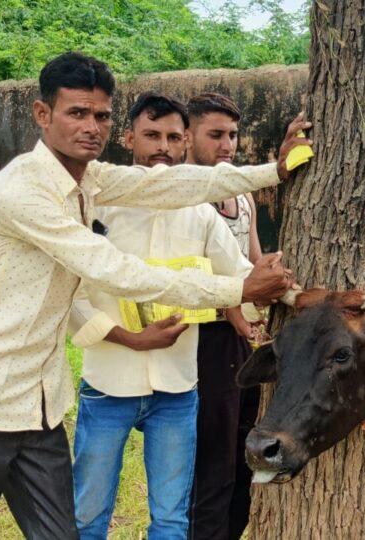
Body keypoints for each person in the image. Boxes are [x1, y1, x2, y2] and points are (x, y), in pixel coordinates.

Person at [0, 51, 310, 539]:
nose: (91, 126)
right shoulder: (22, 191)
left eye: (100, 114)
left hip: (40, 409)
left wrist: (271, 171)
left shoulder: (92, 180)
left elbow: (176, 183)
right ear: (43, 115)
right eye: (77, 113)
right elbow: (113, 269)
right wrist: (237, 287)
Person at [68, 92, 261, 538]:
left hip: (177, 389)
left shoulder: (200, 214)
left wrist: (279, 290)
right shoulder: (95, 206)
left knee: (171, 520)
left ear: (185, 142)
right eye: (151, 135)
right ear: (128, 137)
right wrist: (127, 337)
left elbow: (242, 281)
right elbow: (73, 296)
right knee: (88, 515)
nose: (163, 146)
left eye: (173, 137)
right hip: (107, 383)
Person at [184, 93, 263, 540]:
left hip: (242, 339)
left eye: (232, 134)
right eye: (215, 135)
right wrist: (230, 308)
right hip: (201, 339)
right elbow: (177, 274)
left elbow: (251, 262)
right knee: (211, 460)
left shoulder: (242, 194)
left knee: (241, 451)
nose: (227, 145)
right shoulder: (182, 196)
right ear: (190, 135)